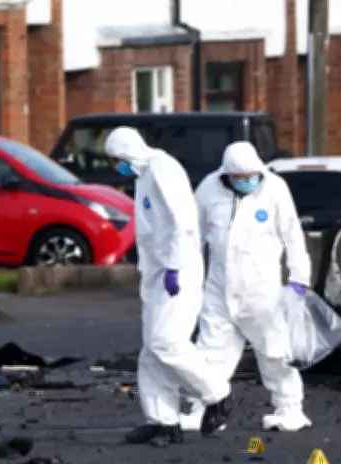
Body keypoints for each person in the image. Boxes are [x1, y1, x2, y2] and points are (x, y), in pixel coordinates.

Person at [104, 126, 234, 446]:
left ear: (128, 152)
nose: (116, 166)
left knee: (166, 342)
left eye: (117, 159)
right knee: (152, 350)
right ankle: (163, 421)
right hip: (158, 273)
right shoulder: (143, 175)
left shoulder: (162, 167)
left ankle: (217, 394)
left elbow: (182, 221)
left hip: (178, 271)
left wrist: (175, 266)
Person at [183, 141, 312, 432]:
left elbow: (293, 236)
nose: (247, 181)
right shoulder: (208, 190)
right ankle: (204, 410)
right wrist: (186, 275)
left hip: (263, 291)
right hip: (219, 289)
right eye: (240, 177)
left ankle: (290, 409)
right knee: (209, 352)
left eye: (251, 175)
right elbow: (192, 237)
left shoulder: (275, 189)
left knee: (275, 352)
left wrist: (299, 279)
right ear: (227, 174)